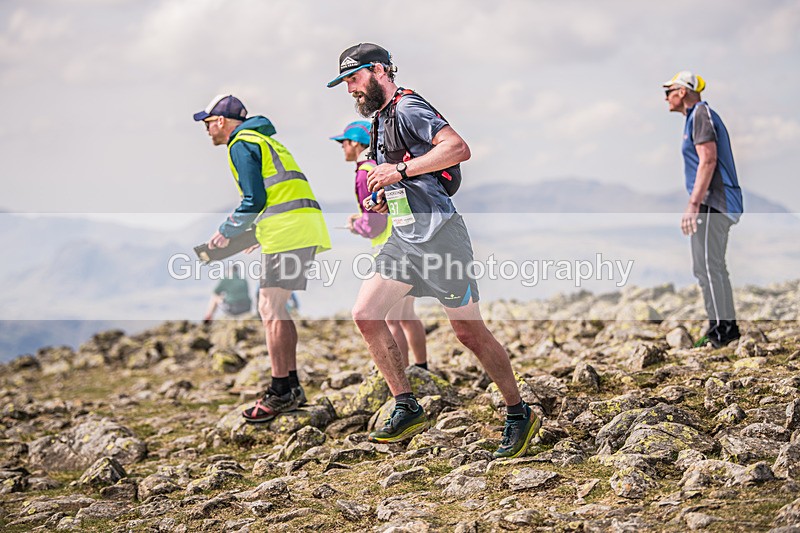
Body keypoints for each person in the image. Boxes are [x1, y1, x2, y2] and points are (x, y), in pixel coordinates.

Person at [328, 43, 540, 458]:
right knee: (366, 314)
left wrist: (400, 171)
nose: (350, 89)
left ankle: (519, 413)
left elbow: (458, 148)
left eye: (353, 79)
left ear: (379, 71)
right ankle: (406, 405)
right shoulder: (379, 121)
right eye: (345, 83)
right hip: (406, 236)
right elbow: (412, 177)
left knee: (468, 333)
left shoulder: (408, 108)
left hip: (442, 236)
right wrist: (387, 195)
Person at [194, 94, 331, 422]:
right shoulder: (264, 140)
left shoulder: (240, 143)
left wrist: (227, 231)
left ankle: (281, 390)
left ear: (223, 121)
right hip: (300, 228)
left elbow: (254, 199)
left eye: (209, 123)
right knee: (278, 306)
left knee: (269, 307)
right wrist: (257, 233)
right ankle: (291, 386)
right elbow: (278, 195)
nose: (207, 130)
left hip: (289, 232)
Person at [330, 120, 429, 369]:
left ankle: (404, 378)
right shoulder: (385, 168)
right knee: (406, 316)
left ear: (355, 143)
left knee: (391, 319)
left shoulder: (365, 173)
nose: (342, 148)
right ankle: (422, 367)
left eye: (343, 142)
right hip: (412, 244)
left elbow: (374, 223)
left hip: (391, 249)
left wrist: (357, 225)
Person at [663, 71, 742, 348]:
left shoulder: (700, 114)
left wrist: (694, 204)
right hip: (712, 202)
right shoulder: (693, 118)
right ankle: (720, 328)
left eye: (668, 91)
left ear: (683, 91)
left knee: (710, 266)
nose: (666, 97)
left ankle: (723, 332)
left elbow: (708, 160)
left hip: (713, 202)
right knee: (705, 266)